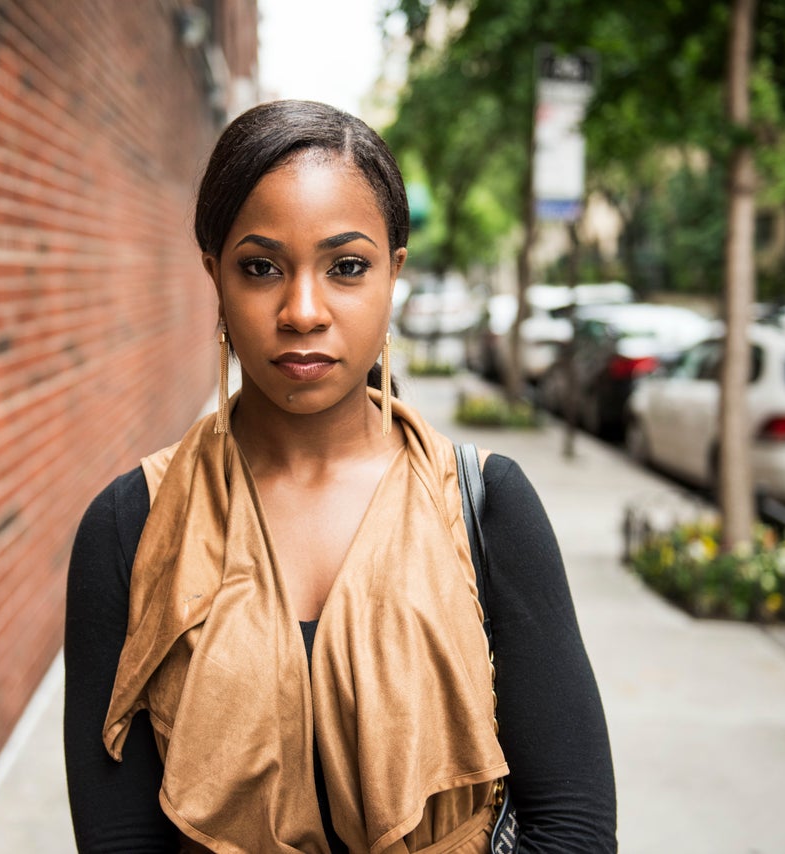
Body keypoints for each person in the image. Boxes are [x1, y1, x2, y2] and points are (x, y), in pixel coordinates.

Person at [64, 99, 616, 853]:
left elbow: (574, 829)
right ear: (214, 277)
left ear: (394, 275)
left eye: (346, 267)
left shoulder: (486, 506)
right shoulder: (131, 527)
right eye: (260, 268)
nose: (302, 310)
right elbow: (119, 839)